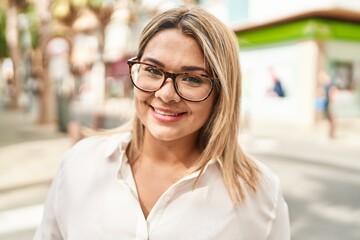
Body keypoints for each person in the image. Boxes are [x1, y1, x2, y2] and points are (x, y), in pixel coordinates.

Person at [34, 5, 290, 240]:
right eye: (153, 70)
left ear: (221, 94)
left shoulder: (260, 195)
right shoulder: (79, 165)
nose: (166, 94)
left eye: (192, 78)